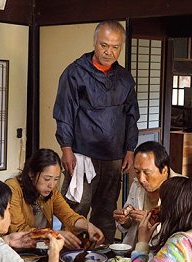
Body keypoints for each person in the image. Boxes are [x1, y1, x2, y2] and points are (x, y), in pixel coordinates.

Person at [53, 20, 140, 243]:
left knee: (106, 211)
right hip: (82, 156)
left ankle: (103, 259)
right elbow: (64, 113)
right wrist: (66, 149)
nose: (108, 52)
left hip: (114, 157)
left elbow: (131, 117)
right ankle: (68, 258)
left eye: (115, 47)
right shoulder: (75, 73)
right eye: (104, 45)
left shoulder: (125, 78)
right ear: (94, 42)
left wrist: (130, 149)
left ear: (121, 47)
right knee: (76, 209)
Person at [6, 148, 105, 250]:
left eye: (56, 179)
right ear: (32, 174)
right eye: (47, 179)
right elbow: (18, 230)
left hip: (40, 249)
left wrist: (88, 226)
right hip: (15, 251)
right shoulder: (13, 188)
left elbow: (69, 216)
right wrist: (53, 234)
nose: (52, 185)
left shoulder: (52, 191)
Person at [113, 141, 179, 247]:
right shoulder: (137, 185)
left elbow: (182, 235)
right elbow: (129, 226)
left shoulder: (182, 190)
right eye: (137, 172)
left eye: (147, 173)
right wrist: (124, 220)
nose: (141, 179)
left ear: (164, 170)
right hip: (135, 250)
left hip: (166, 254)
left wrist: (151, 222)